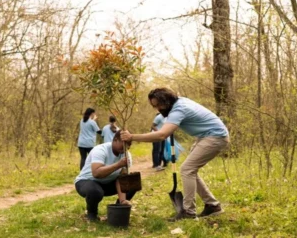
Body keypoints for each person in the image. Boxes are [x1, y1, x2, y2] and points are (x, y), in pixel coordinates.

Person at [121, 87, 229, 221]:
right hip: (206, 136)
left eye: (158, 105)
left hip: (215, 137)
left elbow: (161, 135)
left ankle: (189, 212)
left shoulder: (179, 109)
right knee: (190, 170)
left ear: (167, 101)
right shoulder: (179, 103)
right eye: (154, 106)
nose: (157, 109)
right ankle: (212, 206)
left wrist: (132, 137)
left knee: (187, 169)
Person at [74, 132, 136, 221]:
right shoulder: (100, 150)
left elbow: (121, 179)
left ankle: (118, 209)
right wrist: (118, 165)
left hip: (106, 183)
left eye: (129, 145)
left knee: (132, 182)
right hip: (86, 182)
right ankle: (92, 214)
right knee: (95, 191)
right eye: (124, 144)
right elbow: (96, 173)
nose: (126, 148)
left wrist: (123, 200)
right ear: (115, 140)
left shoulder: (126, 155)